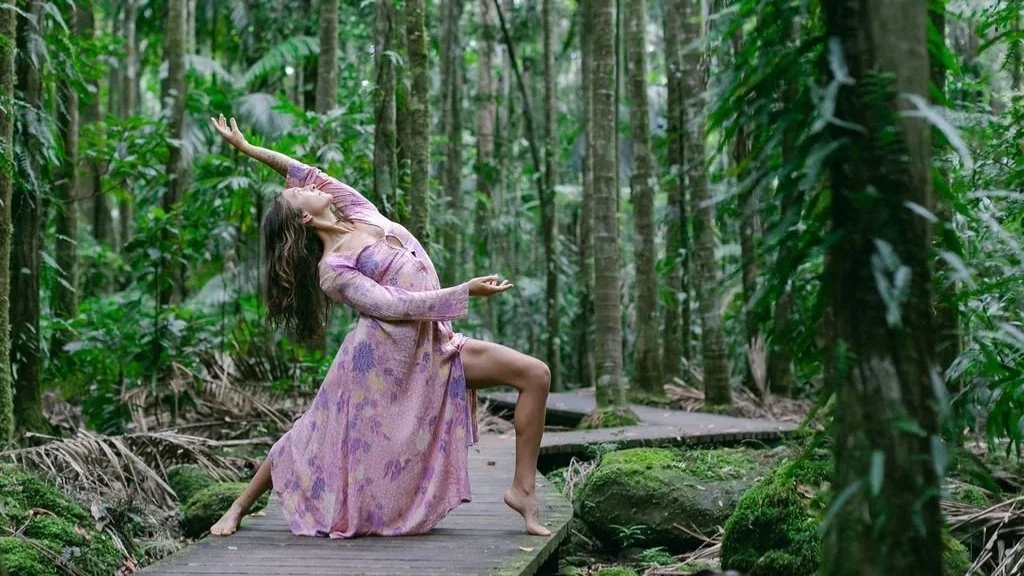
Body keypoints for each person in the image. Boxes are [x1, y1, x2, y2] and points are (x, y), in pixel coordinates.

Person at [206, 115, 551, 539]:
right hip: (380, 364)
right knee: (311, 434)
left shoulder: (356, 211)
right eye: (299, 195)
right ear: (305, 221)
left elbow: (306, 170)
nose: (308, 186)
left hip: (434, 345)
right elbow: (392, 306)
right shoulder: (332, 269)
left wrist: (248, 149)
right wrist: (466, 291)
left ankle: (523, 490)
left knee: (535, 374)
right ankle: (238, 506)